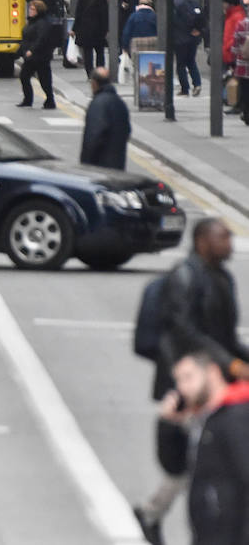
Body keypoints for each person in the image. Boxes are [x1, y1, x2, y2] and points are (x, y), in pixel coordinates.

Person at [133, 217, 249, 542]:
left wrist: (240, 360)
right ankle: (155, 512)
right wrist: (233, 365)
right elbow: (185, 332)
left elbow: (225, 336)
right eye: (222, 237)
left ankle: (151, 511)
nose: (229, 243)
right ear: (202, 241)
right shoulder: (185, 277)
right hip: (189, 380)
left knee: (201, 456)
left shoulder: (221, 277)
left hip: (214, 377)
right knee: (201, 456)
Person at [166, 350, 249, 545]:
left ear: (212, 373)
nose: (182, 388)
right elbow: (173, 466)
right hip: (208, 532)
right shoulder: (204, 419)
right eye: (178, 380)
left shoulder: (234, 418)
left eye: (188, 377)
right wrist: (168, 426)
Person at [79, 68, 129, 170]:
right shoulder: (119, 102)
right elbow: (127, 130)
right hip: (118, 164)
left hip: (99, 166)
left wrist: (85, 164)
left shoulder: (98, 104)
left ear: (94, 83)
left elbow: (93, 136)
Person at [17, 0, 56, 109]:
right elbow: (26, 38)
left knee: (44, 80)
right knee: (24, 77)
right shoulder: (31, 21)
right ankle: (28, 99)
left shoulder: (42, 23)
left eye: (33, 9)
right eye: (30, 8)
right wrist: (20, 51)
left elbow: (41, 39)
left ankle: (49, 100)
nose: (30, 11)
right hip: (31, 57)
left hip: (40, 56)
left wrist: (32, 50)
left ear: (39, 10)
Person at [172, 0, 207, 97]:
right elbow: (201, 16)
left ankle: (185, 88)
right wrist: (198, 29)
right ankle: (197, 84)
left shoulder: (174, 2)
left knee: (181, 64)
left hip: (180, 37)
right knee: (191, 61)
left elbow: (175, 20)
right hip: (193, 37)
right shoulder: (192, 0)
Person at [73, 0, 110, 77]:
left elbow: (78, 14)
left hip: (85, 29)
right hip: (99, 29)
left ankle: (89, 72)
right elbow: (105, 15)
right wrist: (106, 29)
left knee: (87, 52)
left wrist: (74, 29)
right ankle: (100, 71)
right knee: (100, 52)